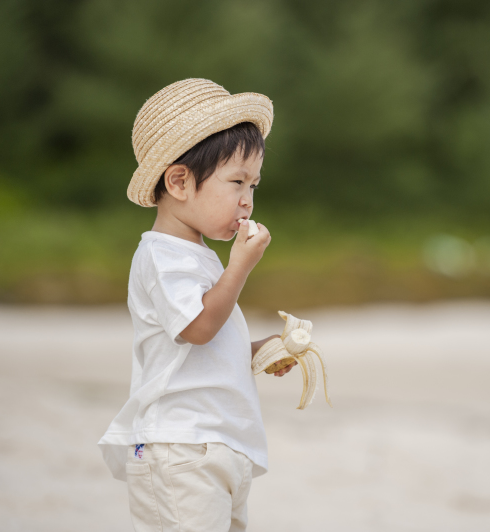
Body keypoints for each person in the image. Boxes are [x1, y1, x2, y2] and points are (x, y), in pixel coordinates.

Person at [98, 78, 296, 532]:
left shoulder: (197, 257)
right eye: (236, 182)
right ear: (180, 181)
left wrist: (257, 350)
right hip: (180, 447)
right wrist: (240, 268)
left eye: (254, 185)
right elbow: (199, 328)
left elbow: (205, 345)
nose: (247, 199)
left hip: (217, 444)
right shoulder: (161, 255)